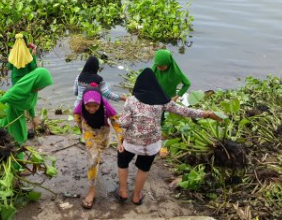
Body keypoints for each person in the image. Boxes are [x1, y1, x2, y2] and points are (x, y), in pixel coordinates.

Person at [117, 68, 222, 205]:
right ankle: (136, 196)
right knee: (143, 168)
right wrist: (207, 114)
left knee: (123, 163)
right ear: (155, 84)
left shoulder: (130, 101)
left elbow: (124, 123)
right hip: (151, 145)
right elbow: (184, 111)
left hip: (131, 142)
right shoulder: (162, 100)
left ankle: (123, 192)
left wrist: (120, 137)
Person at [73, 83, 122, 210]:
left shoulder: (107, 107)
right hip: (88, 130)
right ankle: (91, 191)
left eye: (95, 106)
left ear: (100, 103)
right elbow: (77, 117)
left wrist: (120, 141)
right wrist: (81, 130)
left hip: (103, 131)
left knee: (103, 148)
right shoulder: (80, 107)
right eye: (88, 106)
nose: (92, 109)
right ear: (84, 103)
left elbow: (116, 124)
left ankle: (97, 158)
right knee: (93, 159)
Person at [0, 68, 53, 150]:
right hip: (10, 115)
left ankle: (17, 153)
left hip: (19, 114)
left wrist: (33, 117)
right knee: (9, 138)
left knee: (21, 136)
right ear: (37, 81)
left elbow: (30, 104)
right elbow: (3, 99)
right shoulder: (20, 89)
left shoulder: (33, 90)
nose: (42, 88)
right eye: (42, 85)